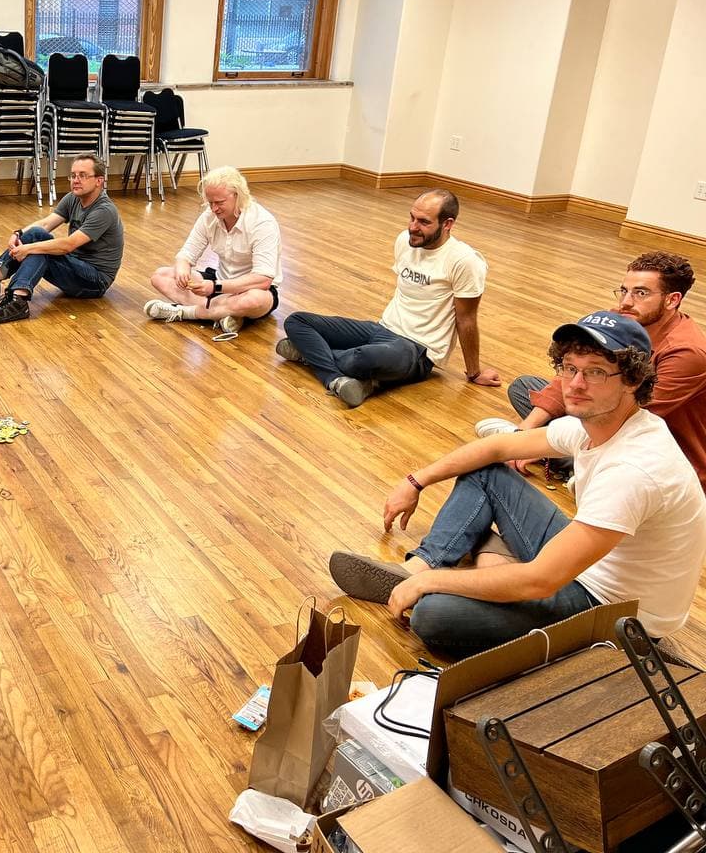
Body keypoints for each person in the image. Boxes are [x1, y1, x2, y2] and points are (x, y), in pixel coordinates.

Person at [328, 311, 706, 658]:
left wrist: (435, 585)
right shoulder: (598, 424)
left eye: (595, 372)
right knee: (487, 471)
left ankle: (472, 566)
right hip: (594, 566)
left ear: (633, 380)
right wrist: (415, 480)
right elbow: (499, 446)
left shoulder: (635, 470)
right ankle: (425, 567)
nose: (575, 384)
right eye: (569, 368)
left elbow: (541, 581)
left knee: (432, 615)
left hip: (617, 615)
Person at [476, 251, 706, 489]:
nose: (626, 302)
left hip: (660, 450)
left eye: (641, 293)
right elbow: (575, 369)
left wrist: (530, 443)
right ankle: (572, 459)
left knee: (584, 411)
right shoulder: (625, 319)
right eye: (624, 291)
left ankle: (577, 463)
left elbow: (631, 414)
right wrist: (523, 433)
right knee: (525, 387)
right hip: (608, 411)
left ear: (672, 300)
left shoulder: (687, 352)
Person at [277, 189, 499, 407]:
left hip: (418, 349)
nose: (413, 227)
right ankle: (339, 378)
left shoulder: (465, 261)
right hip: (381, 330)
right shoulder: (405, 240)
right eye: (412, 217)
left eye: (424, 222)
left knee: (363, 359)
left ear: (447, 224)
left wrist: (474, 372)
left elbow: (467, 319)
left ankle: (312, 355)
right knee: (297, 321)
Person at [0, 153, 124, 324]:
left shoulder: (104, 210)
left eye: (83, 175)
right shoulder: (73, 198)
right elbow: (46, 224)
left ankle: (19, 300)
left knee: (41, 250)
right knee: (35, 234)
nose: (76, 180)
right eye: (73, 175)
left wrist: (28, 249)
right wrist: (18, 234)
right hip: (75, 265)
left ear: (99, 181)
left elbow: (68, 245)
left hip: (95, 281)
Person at [143, 166, 282, 337]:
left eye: (219, 202)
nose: (214, 208)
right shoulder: (209, 217)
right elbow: (186, 254)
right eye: (210, 203)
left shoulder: (262, 223)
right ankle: (224, 314)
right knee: (160, 276)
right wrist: (182, 269)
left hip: (251, 289)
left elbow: (263, 280)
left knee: (253, 299)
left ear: (237, 195)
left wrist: (215, 287)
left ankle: (185, 312)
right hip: (218, 282)